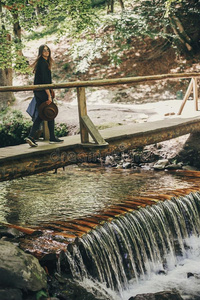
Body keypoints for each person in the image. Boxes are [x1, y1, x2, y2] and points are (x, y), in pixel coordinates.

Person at [25, 44, 63, 147]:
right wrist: (49, 95)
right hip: (42, 92)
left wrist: (51, 90)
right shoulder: (42, 63)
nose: (46, 52)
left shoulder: (44, 62)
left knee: (47, 112)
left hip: (41, 91)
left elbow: (46, 80)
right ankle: (32, 136)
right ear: (41, 52)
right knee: (46, 112)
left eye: (48, 50)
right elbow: (44, 81)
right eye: (44, 50)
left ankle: (50, 137)